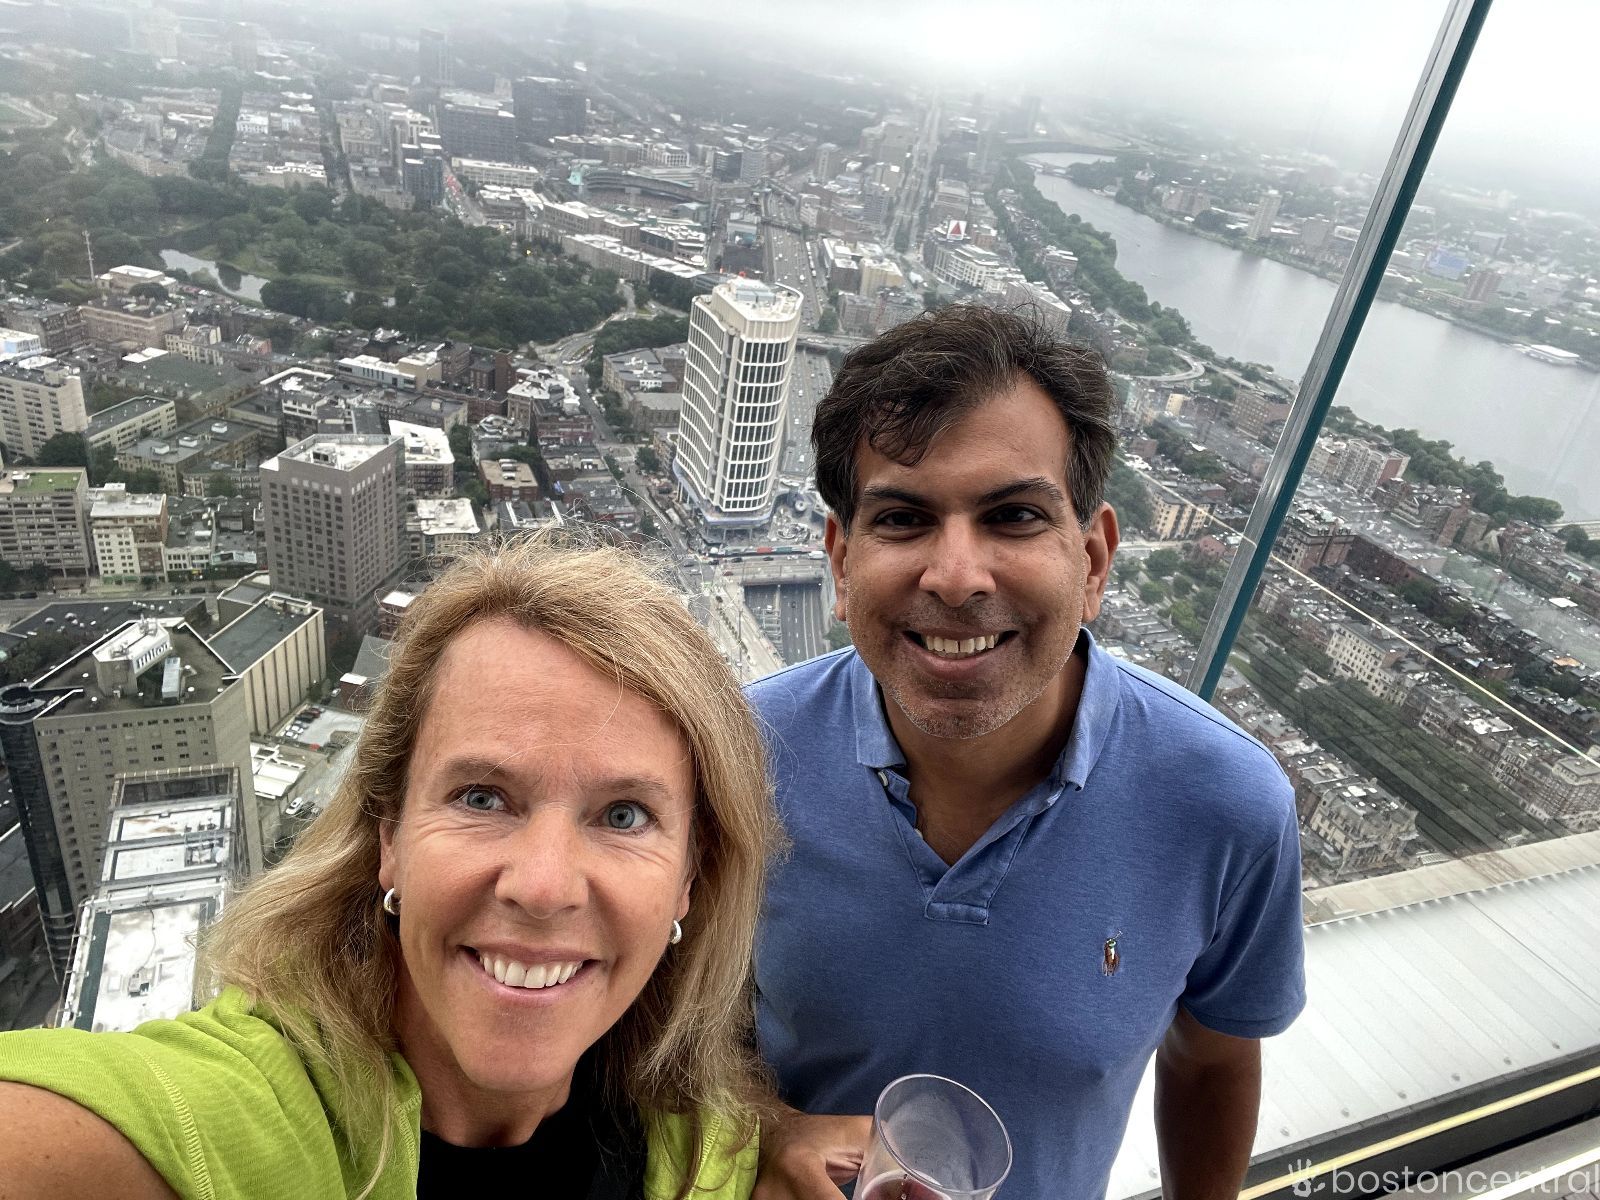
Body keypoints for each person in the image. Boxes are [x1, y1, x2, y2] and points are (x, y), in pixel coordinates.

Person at [0, 536, 780, 1200]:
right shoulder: (240, 1113)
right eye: (481, 798)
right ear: (389, 839)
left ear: (689, 878)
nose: (543, 887)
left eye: (624, 816)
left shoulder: (708, 1146)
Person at [748, 305, 1306, 1199]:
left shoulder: (1225, 804)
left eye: (1012, 517)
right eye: (903, 519)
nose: (956, 577)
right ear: (841, 563)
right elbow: (657, 1019)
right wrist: (768, 1131)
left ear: (1093, 562)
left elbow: (1212, 1060)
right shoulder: (740, 755)